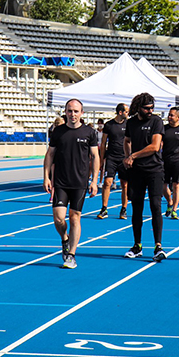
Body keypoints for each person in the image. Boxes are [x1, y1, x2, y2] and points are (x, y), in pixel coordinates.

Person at [43, 99, 100, 269]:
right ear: (65, 112)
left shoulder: (89, 132)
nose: (72, 114)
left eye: (76, 111)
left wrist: (95, 181)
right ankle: (65, 238)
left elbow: (95, 157)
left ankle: (72, 255)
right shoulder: (58, 132)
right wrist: (46, 177)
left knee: (75, 218)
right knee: (59, 218)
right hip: (60, 181)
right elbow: (49, 155)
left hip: (80, 182)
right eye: (69, 111)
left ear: (81, 113)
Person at [123, 93, 166, 262]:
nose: (150, 110)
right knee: (137, 209)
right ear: (138, 108)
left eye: (152, 107)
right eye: (147, 108)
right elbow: (126, 140)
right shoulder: (131, 122)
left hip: (154, 169)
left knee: (155, 206)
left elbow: (155, 147)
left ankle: (158, 246)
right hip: (137, 172)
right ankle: (137, 245)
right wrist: (128, 157)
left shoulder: (156, 121)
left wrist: (133, 156)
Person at [97, 103, 129, 220]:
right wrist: (101, 160)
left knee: (125, 184)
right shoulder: (109, 125)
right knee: (107, 182)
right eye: (126, 111)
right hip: (111, 157)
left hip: (124, 158)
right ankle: (104, 208)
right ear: (120, 112)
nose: (128, 114)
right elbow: (104, 143)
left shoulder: (128, 125)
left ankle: (123, 209)